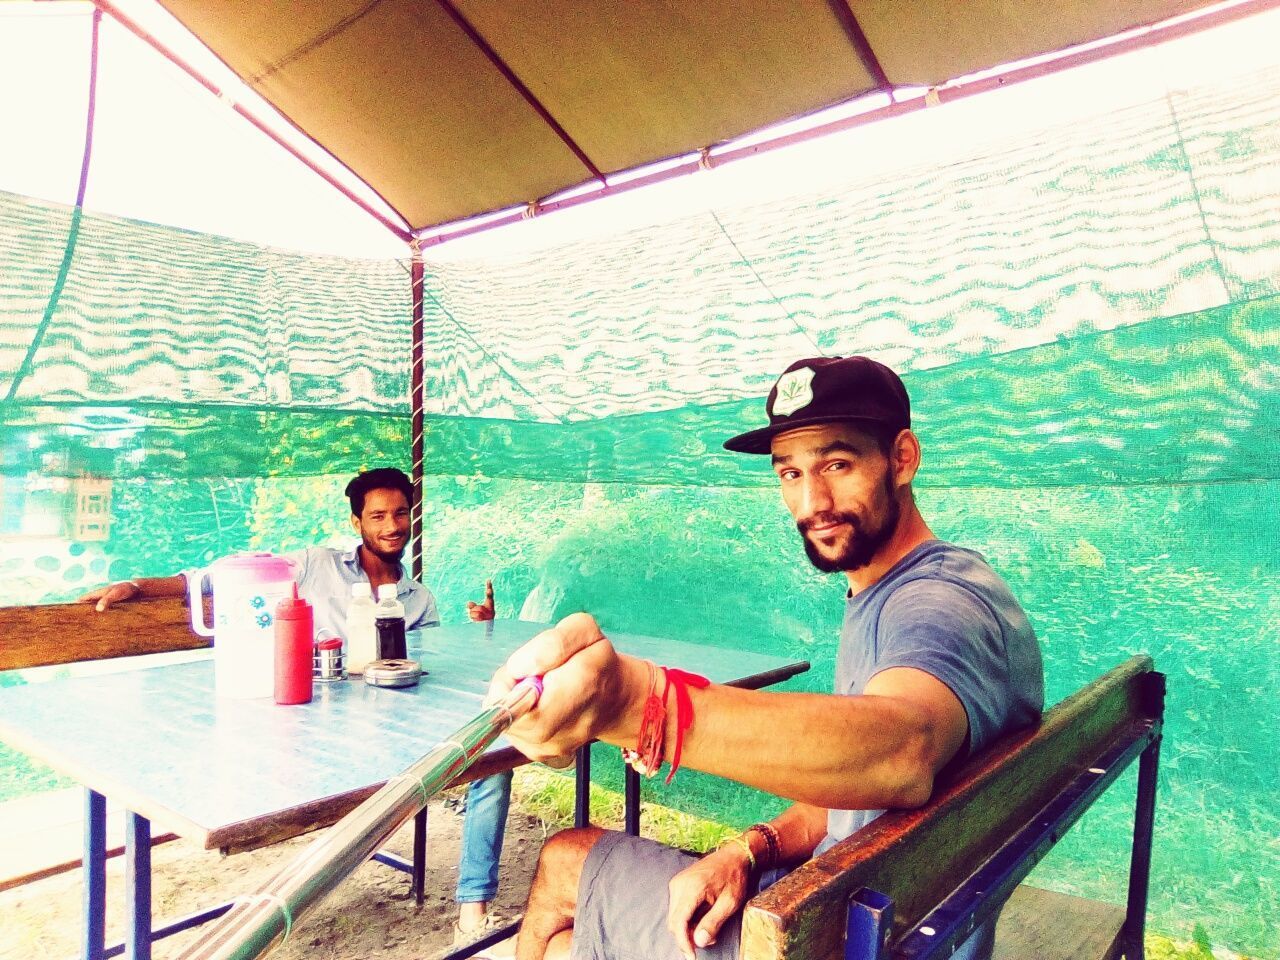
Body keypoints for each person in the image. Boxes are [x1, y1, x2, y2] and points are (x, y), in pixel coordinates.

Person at [483, 356, 1045, 960]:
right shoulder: (910, 586)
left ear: (903, 458)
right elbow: (854, 788)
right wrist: (751, 848)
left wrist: (636, 703)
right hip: (859, 907)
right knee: (573, 939)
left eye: (837, 464)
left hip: (850, 937)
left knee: (566, 865)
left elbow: (902, 749)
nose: (813, 501)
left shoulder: (937, 602)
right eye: (790, 473)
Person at [78, 467, 515, 949]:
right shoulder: (313, 565)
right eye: (378, 516)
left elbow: (425, 665)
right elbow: (224, 577)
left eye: (400, 514)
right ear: (356, 523)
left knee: (495, 756)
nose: (392, 525)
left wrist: (482, 631)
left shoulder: (417, 597)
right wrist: (139, 586)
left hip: (393, 730)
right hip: (313, 728)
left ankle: (473, 908)